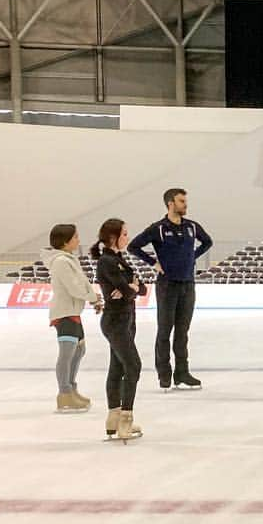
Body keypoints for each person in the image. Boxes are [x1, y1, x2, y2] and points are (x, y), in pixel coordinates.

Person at [128, 187, 212, 391]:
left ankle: (182, 373)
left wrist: (193, 257)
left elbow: (208, 242)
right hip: (167, 285)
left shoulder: (192, 226)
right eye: (182, 201)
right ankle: (164, 374)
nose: (186, 204)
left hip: (187, 284)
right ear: (170, 203)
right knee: (165, 330)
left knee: (183, 331)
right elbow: (133, 246)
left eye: (185, 201)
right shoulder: (158, 228)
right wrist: (152, 262)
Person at [93, 218, 146, 441]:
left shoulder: (119, 260)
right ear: (113, 237)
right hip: (115, 320)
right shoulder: (106, 261)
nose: (128, 237)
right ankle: (125, 418)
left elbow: (140, 288)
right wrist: (129, 288)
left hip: (125, 319)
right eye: (125, 233)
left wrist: (130, 288)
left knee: (117, 368)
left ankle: (113, 418)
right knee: (133, 365)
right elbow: (127, 289)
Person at [46, 223, 102, 414]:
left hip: (72, 312)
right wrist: (93, 297)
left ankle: (71, 388)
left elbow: (82, 283)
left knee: (79, 350)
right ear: (65, 241)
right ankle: (64, 394)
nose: (79, 240)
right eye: (75, 237)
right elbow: (73, 287)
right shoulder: (61, 262)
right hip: (64, 313)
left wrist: (94, 298)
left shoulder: (69, 259)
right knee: (67, 353)